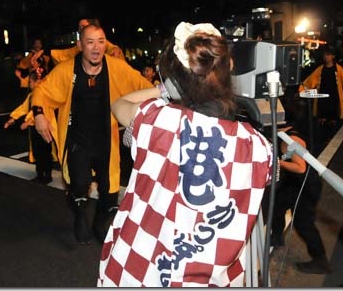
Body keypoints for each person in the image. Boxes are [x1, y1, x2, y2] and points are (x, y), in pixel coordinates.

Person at [97, 21, 273, 287]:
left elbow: (119, 104)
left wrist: (164, 91)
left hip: (136, 271)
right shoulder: (256, 146)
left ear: (177, 80)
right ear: (231, 69)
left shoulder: (156, 119)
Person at [32, 23, 153, 245]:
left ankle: (99, 222)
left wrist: (167, 96)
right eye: (90, 42)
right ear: (80, 45)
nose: (96, 48)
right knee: (78, 185)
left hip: (107, 140)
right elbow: (42, 91)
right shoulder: (67, 70)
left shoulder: (117, 68)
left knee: (109, 194)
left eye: (101, 41)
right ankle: (80, 214)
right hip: (77, 140)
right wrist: (39, 114)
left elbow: (142, 86)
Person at [267, 97, 331, 274]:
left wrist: (277, 162)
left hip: (306, 186)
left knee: (304, 224)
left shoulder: (290, 139)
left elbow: (300, 167)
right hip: (293, 184)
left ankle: (321, 261)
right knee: (277, 206)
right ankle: (276, 237)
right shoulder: (285, 134)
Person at [4, 71, 57, 184]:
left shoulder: (43, 93)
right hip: (35, 128)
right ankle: (40, 174)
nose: (30, 84)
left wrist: (27, 123)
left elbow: (39, 112)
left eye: (30, 82)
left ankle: (46, 175)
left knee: (44, 152)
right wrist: (13, 118)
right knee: (38, 152)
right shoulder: (32, 95)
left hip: (45, 128)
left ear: (38, 81)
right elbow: (24, 107)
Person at [299, 46, 343, 144]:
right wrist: (302, 90)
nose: (326, 57)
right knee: (322, 118)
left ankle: (329, 136)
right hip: (322, 98)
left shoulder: (338, 69)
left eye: (328, 55)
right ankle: (323, 137)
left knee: (332, 118)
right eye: (325, 55)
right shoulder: (320, 69)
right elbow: (310, 81)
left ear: (333, 56)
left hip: (334, 98)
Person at [50, 18, 125, 65]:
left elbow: (112, 48)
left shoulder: (102, 41)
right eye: (79, 27)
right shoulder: (79, 46)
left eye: (83, 26)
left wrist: (115, 49)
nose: (81, 29)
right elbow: (65, 55)